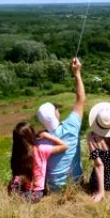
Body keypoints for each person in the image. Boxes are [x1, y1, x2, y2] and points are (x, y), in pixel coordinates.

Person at [36, 57, 86, 191]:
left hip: (52, 189)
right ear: (56, 114)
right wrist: (77, 73)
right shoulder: (71, 126)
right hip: (76, 184)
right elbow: (81, 99)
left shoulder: (39, 141)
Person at [8, 121, 68, 203]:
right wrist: (48, 136)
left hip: (22, 188)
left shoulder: (17, 154)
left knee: (16, 183)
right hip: (37, 192)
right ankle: (22, 199)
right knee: (30, 198)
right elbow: (65, 146)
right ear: (31, 135)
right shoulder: (40, 150)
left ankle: (18, 197)